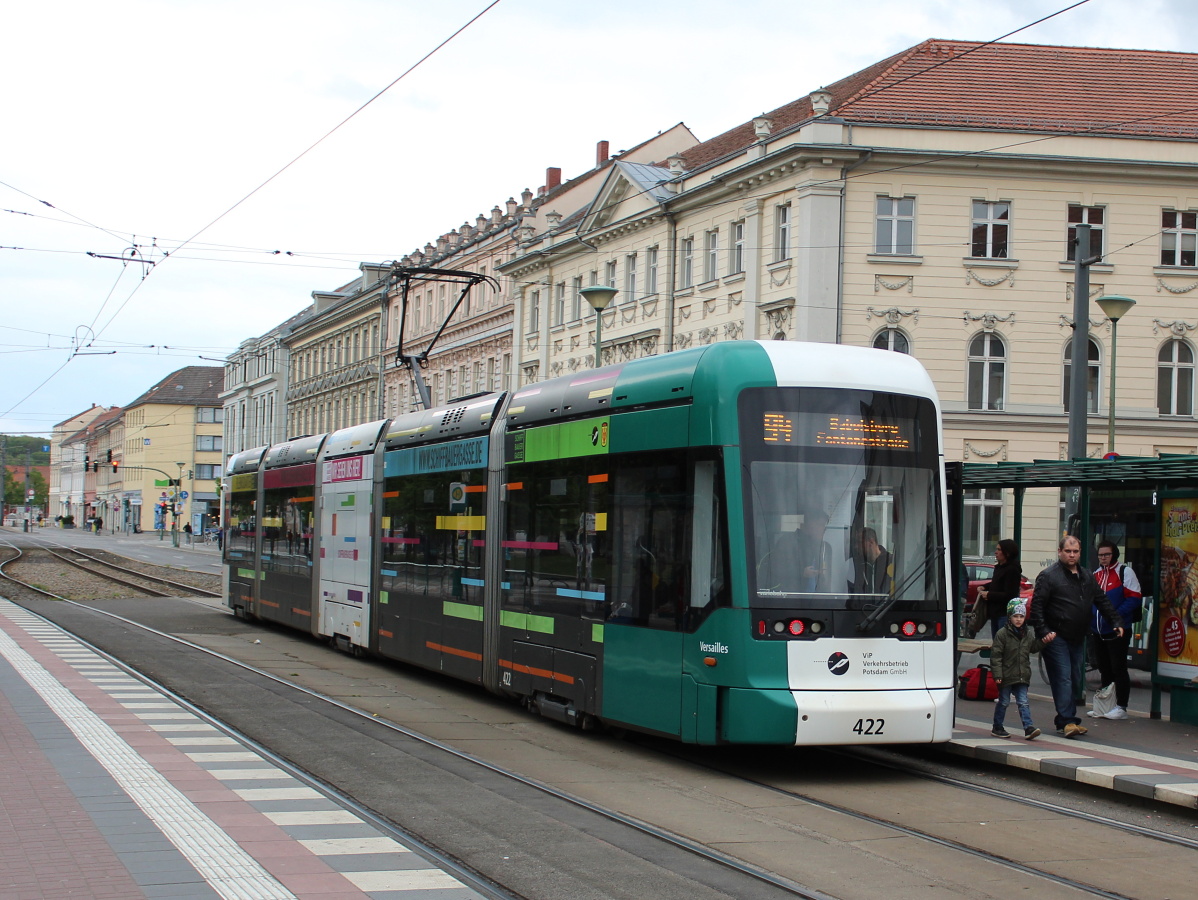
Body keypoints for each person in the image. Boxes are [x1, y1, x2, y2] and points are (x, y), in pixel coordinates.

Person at [1030, 535, 1125, 738]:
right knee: (1063, 678)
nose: (1072, 555)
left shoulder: (1086, 575)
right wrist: (1044, 631)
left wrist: (1116, 621)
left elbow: (1101, 600)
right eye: (1068, 551)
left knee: (1075, 678)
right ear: (1059, 552)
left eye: (1075, 552)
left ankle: (1066, 720)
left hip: (1078, 635)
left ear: (1080, 553)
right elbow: (1037, 606)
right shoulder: (1048, 576)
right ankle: (1067, 720)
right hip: (1056, 636)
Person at [1091, 540, 1141, 720]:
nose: (1103, 558)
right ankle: (1106, 705)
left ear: (1114, 555)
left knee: (1118, 667)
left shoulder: (1124, 572)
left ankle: (1121, 706)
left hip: (1118, 629)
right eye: (1100, 555)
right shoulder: (1095, 574)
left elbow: (1134, 598)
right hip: (1098, 630)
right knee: (1104, 668)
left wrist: (1114, 616)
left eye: (1106, 555)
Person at [990, 599, 1042, 740]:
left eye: (1021, 616)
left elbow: (1033, 648)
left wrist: (1043, 641)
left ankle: (1028, 727)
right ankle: (997, 726)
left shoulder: (1027, 634)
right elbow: (996, 656)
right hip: (1006, 675)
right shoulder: (1002, 634)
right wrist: (998, 675)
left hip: (1021, 674)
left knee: (1023, 701)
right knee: (1004, 701)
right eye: (1015, 616)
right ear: (1009, 617)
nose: (1018, 620)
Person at [975, 539, 1022, 637]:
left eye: (999, 550)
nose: (996, 552)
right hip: (995, 612)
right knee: (997, 643)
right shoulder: (1000, 567)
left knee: (1002, 644)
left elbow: (1010, 594)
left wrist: (989, 594)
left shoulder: (1012, 569)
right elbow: (997, 583)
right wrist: (984, 587)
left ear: (1007, 553)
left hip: (1004, 614)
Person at [795, 509, 833, 592]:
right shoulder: (790, 543)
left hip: (819, 599)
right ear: (809, 525)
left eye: (824, 525)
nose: (824, 529)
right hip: (794, 599)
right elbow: (777, 570)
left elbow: (828, 578)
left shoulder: (826, 547)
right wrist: (802, 573)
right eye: (820, 525)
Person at [852, 527, 892, 594]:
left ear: (871, 542)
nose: (856, 546)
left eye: (859, 542)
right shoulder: (858, 566)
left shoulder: (890, 562)